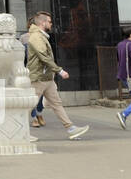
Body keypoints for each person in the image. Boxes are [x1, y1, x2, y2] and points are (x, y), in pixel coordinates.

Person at [25, 11, 88, 140]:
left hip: (46, 78)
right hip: (38, 78)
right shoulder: (36, 37)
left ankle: (70, 128)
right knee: (29, 105)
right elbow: (44, 57)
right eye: (49, 21)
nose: (51, 23)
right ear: (43, 23)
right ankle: (18, 132)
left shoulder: (40, 35)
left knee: (56, 104)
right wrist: (59, 71)